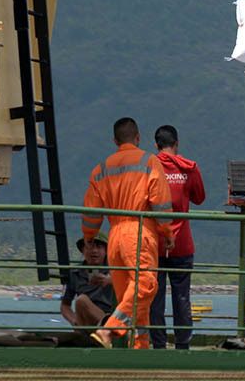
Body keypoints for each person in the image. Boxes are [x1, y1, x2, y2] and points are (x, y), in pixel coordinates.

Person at [82, 117, 175, 349]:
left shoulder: (100, 170)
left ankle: (139, 348)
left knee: (131, 298)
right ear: (138, 138)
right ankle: (109, 330)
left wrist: (89, 236)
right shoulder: (149, 162)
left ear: (115, 140)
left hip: (114, 236)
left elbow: (91, 212)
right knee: (145, 285)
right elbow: (161, 203)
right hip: (139, 230)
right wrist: (168, 232)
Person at [149, 124, 206, 349]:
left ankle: (158, 345)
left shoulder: (149, 167)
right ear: (177, 144)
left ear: (156, 145)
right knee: (182, 298)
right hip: (182, 244)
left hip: (155, 243)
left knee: (155, 298)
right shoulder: (190, 168)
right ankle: (183, 346)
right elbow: (199, 198)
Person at [60, 231, 115, 334]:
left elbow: (131, 285)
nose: (94, 251)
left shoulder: (116, 270)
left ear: (106, 250)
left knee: (81, 300)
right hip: (84, 320)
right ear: (82, 250)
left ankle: (104, 332)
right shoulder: (74, 273)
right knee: (82, 301)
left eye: (98, 247)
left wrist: (111, 281)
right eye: (89, 246)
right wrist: (74, 321)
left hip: (109, 320)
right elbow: (65, 305)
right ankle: (84, 336)